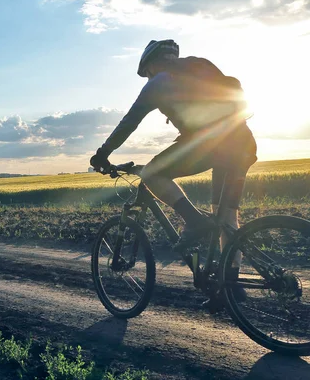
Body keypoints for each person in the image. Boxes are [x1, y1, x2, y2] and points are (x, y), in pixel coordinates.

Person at [90, 40, 257, 310]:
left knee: (152, 173)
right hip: (241, 142)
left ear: (151, 65)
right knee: (226, 217)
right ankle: (230, 287)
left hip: (210, 144)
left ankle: (193, 220)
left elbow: (129, 122)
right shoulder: (199, 65)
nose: (147, 77)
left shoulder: (159, 82)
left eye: (145, 73)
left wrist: (102, 154)